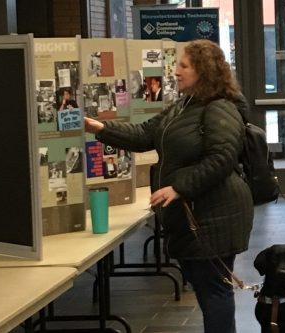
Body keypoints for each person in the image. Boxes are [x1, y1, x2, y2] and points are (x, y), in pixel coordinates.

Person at [84, 39, 253, 333]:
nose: (175, 72)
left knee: (214, 290)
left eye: (183, 66)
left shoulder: (220, 108)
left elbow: (222, 158)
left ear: (204, 71)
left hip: (216, 215)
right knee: (206, 287)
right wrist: (100, 128)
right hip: (195, 215)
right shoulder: (184, 104)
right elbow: (145, 134)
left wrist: (179, 188)